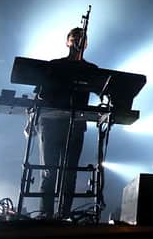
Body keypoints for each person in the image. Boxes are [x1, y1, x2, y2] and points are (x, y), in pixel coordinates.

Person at [35, 27, 98, 219]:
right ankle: (45, 213)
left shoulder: (91, 70)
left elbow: (105, 90)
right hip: (50, 123)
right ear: (67, 42)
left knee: (69, 172)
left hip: (76, 125)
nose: (77, 41)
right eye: (73, 38)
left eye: (81, 38)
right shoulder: (54, 65)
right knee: (49, 171)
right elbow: (39, 94)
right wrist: (31, 120)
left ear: (86, 44)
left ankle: (64, 214)